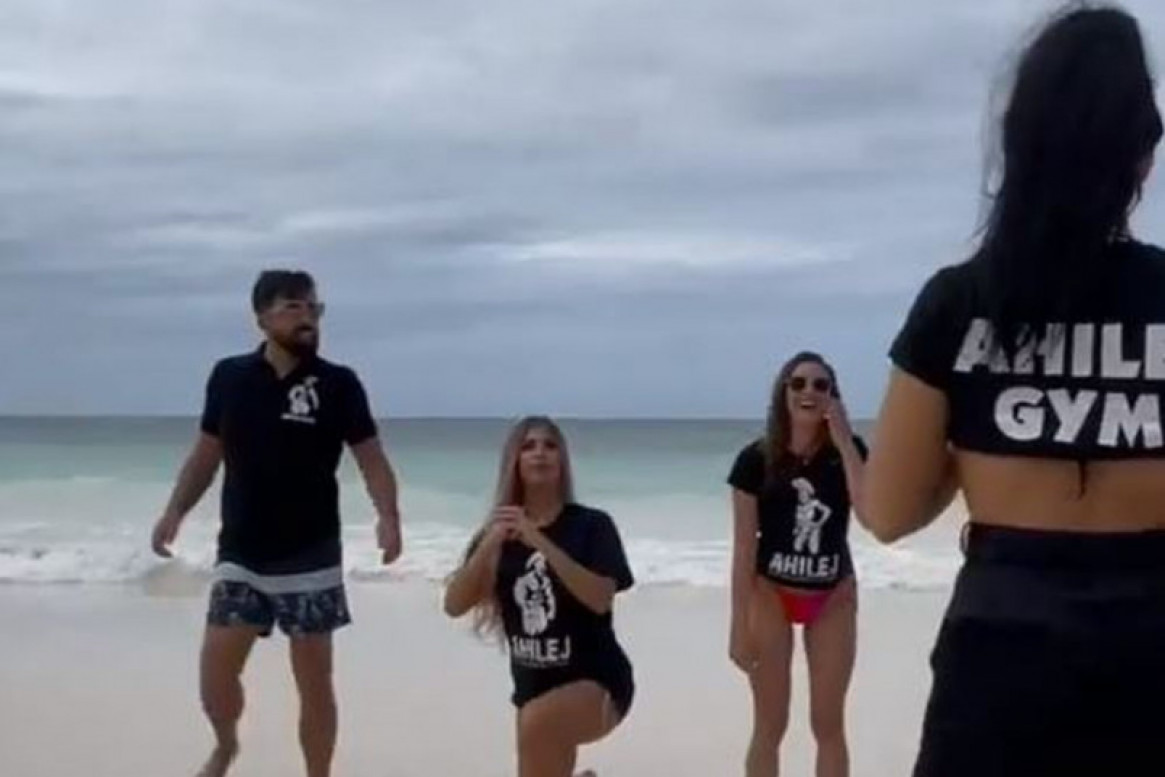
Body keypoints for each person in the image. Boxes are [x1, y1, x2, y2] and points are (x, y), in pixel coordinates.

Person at [864, 6, 1165, 775]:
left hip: (998, 665)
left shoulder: (957, 303)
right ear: (1141, 154)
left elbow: (888, 510)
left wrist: (975, 447)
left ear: (1018, 144)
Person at [149, 270, 403, 777]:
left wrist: (388, 516)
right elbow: (207, 452)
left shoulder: (338, 383)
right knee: (215, 676)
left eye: (314, 308)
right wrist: (175, 510)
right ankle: (226, 745)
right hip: (242, 550)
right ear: (262, 318)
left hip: (312, 553)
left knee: (314, 682)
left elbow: (371, 458)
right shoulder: (229, 377)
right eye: (294, 307)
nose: (307, 317)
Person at [443, 416, 634, 777]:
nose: (540, 453)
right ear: (514, 461)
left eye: (550, 445)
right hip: (531, 688)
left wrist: (539, 541)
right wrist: (490, 544)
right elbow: (454, 605)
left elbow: (600, 598)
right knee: (537, 734)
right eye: (528, 446)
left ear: (563, 460)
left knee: (536, 723)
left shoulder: (592, 525)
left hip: (598, 685)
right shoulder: (498, 532)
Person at [727, 351, 867, 777]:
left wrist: (845, 441)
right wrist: (738, 626)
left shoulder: (849, 452)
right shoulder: (755, 460)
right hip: (770, 592)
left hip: (833, 593)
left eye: (821, 385)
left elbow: (870, 514)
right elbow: (743, 549)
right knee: (771, 724)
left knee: (828, 723)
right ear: (783, 392)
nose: (809, 391)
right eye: (799, 383)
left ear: (833, 396)